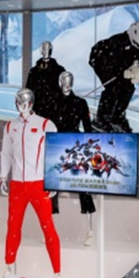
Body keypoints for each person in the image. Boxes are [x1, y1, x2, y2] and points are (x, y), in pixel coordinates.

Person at [0, 88, 62, 278]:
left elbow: (56, 153)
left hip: (38, 184)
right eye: (18, 101)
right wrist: (3, 175)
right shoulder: (11, 126)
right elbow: (6, 153)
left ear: (32, 102)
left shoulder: (45, 124)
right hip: (18, 184)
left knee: (48, 227)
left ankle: (57, 275)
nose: (22, 105)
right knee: (13, 227)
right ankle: (9, 268)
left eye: (25, 101)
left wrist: (53, 180)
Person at [51, 71, 96, 246]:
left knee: (83, 187)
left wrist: (88, 148)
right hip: (57, 144)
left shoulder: (80, 103)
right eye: (63, 81)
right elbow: (47, 124)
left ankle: (90, 230)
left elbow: (88, 127)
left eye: (69, 81)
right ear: (59, 82)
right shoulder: (53, 102)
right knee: (52, 186)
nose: (66, 84)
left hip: (75, 145)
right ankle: (49, 229)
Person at [88, 22, 139, 133]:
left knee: (128, 88)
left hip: (120, 63)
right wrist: (122, 73)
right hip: (101, 59)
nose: (138, 47)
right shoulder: (117, 43)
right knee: (113, 87)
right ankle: (102, 118)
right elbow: (110, 67)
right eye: (136, 44)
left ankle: (118, 116)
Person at [25, 41, 66, 120]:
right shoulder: (34, 72)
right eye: (43, 48)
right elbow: (29, 91)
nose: (45, 50)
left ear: (50, 50)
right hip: (38, 111)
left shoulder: (59, 71)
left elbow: (64, 93)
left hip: (54, 112)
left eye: (47, 48)